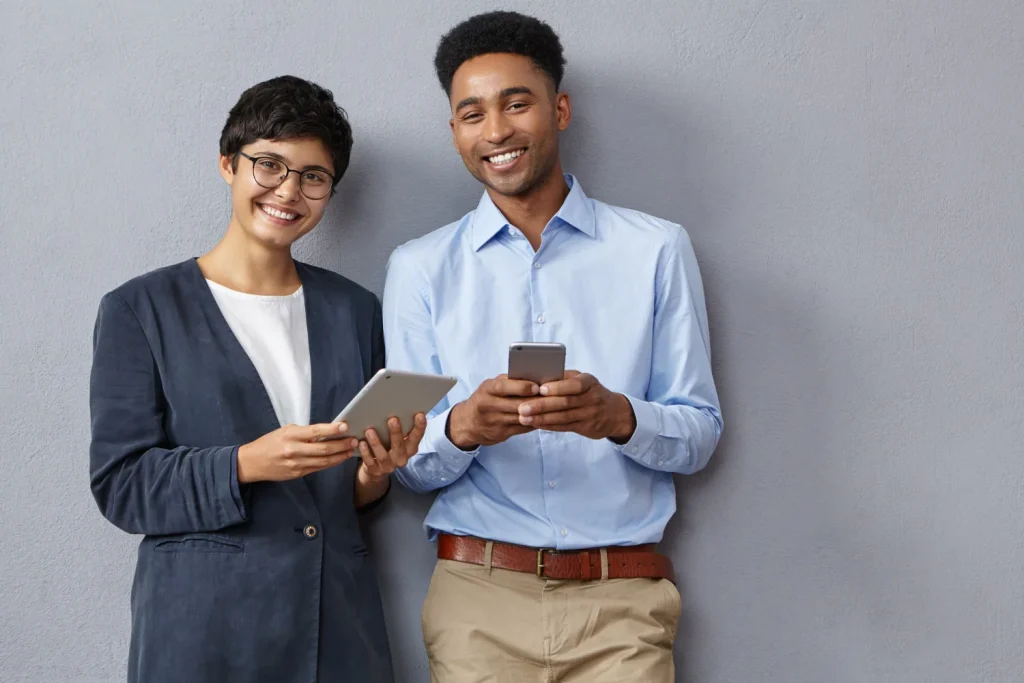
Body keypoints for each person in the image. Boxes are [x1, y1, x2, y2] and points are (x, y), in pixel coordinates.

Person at [382, 11, 723, 682]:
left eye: (517, 103)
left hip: (622, 600)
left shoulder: (656, 249)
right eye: (472, 113)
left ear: (558, 109)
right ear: (455, 131)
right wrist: (463, 426)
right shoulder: (418, 268)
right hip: (477, 601)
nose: (497, 130)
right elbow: (409, 465)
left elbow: (701, 432)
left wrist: (617, 417)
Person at [89, 75, 425, 683]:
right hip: (205, 634)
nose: (288, 191)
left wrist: (374, 474)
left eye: (313, 177)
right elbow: (122, 485)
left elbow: (347, 496)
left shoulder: (354, 310)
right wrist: (245, 462)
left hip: (337, 629)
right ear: (228, 165)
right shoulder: (140, 309)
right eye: (269, 165)